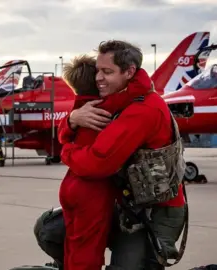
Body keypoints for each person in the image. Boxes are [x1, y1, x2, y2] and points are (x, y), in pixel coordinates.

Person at [59, 40, 187, 270]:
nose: (98, 77)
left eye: (107, 72)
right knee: (49, 231)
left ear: (129, 72)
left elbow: (96, 163)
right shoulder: (119, 98)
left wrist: (66, 150)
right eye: (97, 70)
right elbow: (81, 118)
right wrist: (72, 120)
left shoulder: (141, 109)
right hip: (130, 202)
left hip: (157, 211)